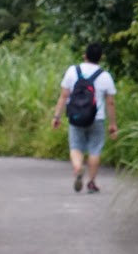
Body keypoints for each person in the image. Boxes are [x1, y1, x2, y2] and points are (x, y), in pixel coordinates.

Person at [51, 42, 119, 193]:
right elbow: (111, 102)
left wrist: (57, 116)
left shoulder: (72, 71)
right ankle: (91, 182)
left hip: (76, 116)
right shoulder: (105, 76)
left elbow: (64, 96)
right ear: (100, 57)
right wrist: (112, 124)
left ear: (85, 55)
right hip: (97, 118)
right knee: (95, 149)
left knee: (76, 146)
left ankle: (78, 167)